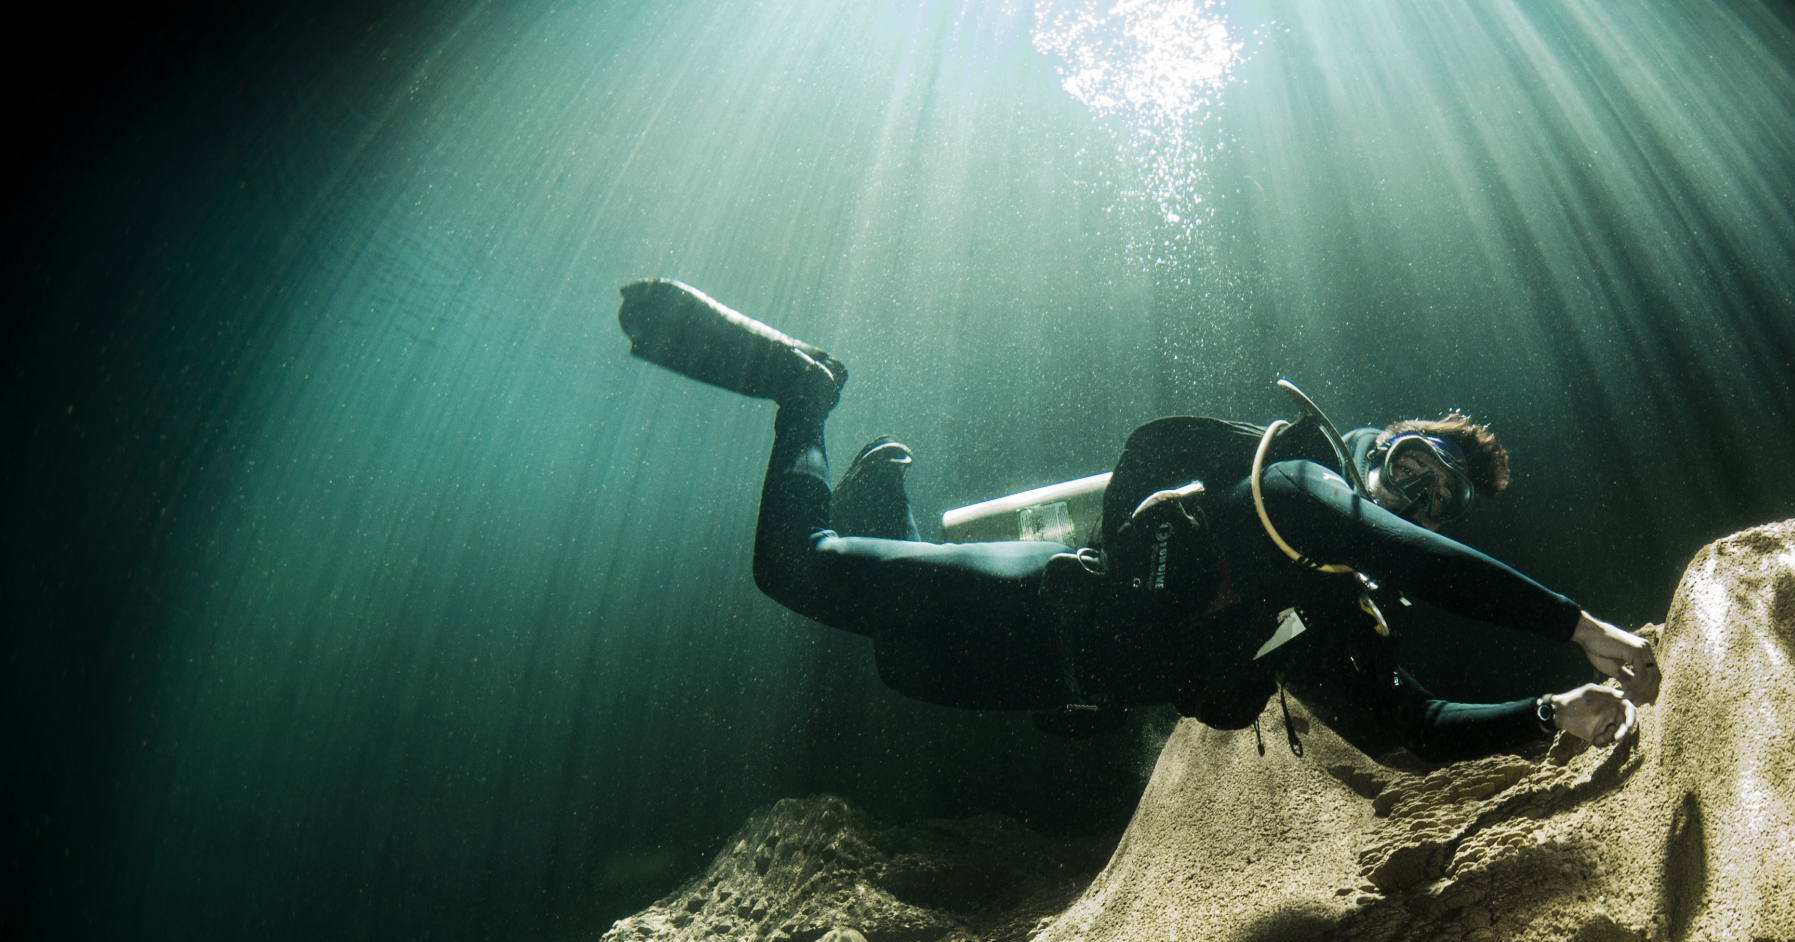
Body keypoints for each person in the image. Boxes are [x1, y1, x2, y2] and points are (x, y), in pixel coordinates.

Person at [620, 280, 1659, 766]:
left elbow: (1406, 730)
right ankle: (804, 394)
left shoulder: (1330, 611)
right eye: (1413, 469)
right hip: (1046, 602)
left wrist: (1547, 712)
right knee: (796, 570)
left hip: (1064, 680)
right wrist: (1578, 626)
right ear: (1377, 447)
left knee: (899, 663)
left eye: (1436, 502)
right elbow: (1400, 552)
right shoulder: (1294, 490)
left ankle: (880, 498)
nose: (1413, 499)